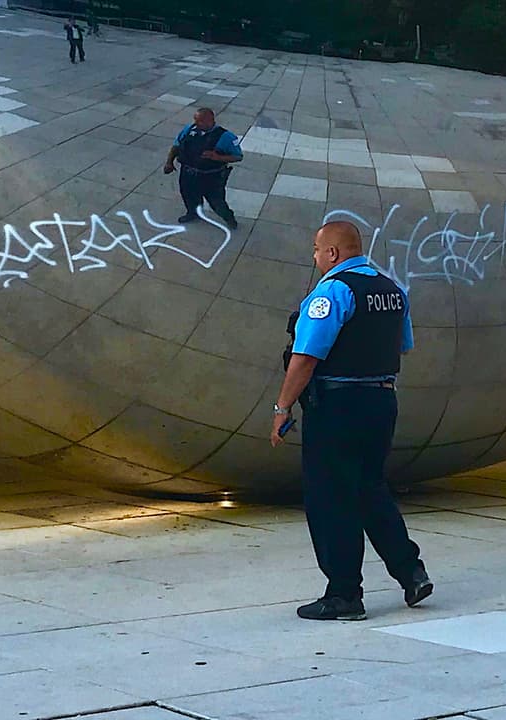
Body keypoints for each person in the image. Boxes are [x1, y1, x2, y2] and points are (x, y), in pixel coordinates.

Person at [270, 221, 433, 621]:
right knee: (369, 488)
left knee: (330, 499)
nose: (314, 257)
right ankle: (410, 571)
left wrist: (282, 408)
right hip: (381, 402)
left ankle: (344, 595)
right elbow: (403, 346)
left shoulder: (332, 291)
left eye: (316, 249)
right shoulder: (393, 290)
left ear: (333, 254)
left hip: (337, 407)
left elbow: (305, 357)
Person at [162, 107, 241, 229]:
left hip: (211, 177)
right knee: (189, 196)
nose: (196, 123)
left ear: (210, 121)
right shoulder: (189, 130)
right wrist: (169, 162)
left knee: (217, 203)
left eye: (200, 121)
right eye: (196, 120)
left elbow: (237, 156)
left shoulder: (225, 137)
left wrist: (217, 157)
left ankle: (229, 218)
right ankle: (193, 213)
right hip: (188, 173)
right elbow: (177, 145)